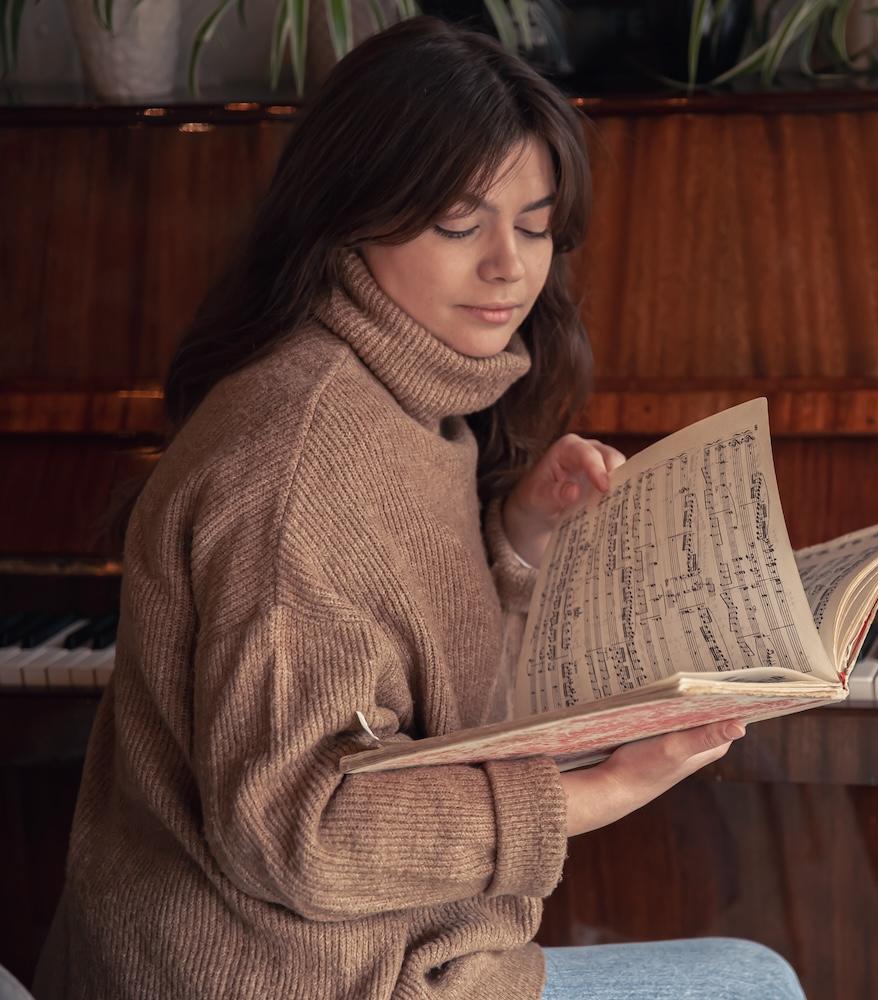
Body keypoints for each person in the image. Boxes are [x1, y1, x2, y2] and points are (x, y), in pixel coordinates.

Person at [33, 16, 804, 1000]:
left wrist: (517, 542)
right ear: (350, 211)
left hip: (374, 955)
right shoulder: (297, 461)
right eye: (457, 222)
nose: (508, 266)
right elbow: (301, 832)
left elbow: (398, 686)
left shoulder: (406, 402)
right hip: (289, 979)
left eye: (534, 226)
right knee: (749, 984)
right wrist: (597, 792)